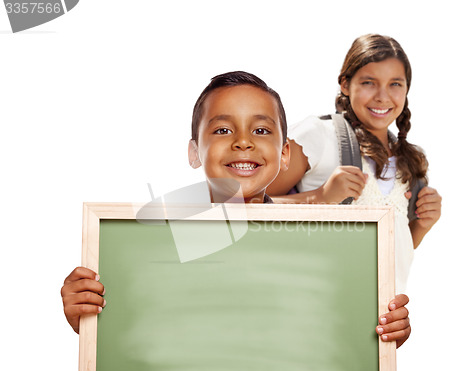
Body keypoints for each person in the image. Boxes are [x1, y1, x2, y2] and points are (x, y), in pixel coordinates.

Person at [61, 70, 410, 347]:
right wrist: (89, 318)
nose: (243, 142)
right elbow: (136, 330)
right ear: (195, 152)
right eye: (223, 129)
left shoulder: (323, 243)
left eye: (260, 129)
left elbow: (342, 333)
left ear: (285, 153)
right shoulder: (150, 241)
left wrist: (386, 331)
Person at [268, 35, 442, 347]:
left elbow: (394, 249)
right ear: (345, 84)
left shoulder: (411, 162)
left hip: (372, 334)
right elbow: (246, 208)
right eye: (369, 82)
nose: (382, 96)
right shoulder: (319, 135)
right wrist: (320, 198)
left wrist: (421, 226)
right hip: (306, 321)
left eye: (395, 84)